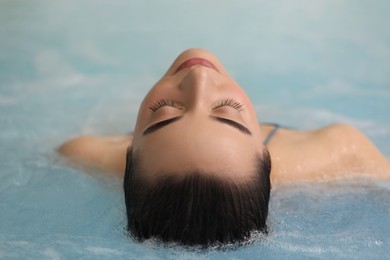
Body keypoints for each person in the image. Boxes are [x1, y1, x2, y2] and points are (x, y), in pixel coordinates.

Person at [58, 48, 390, 247]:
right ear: (268, 157)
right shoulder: (343, 152)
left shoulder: (81, 154)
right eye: (229, 109)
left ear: (127, 155)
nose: (200, 79)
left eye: (163, 113)